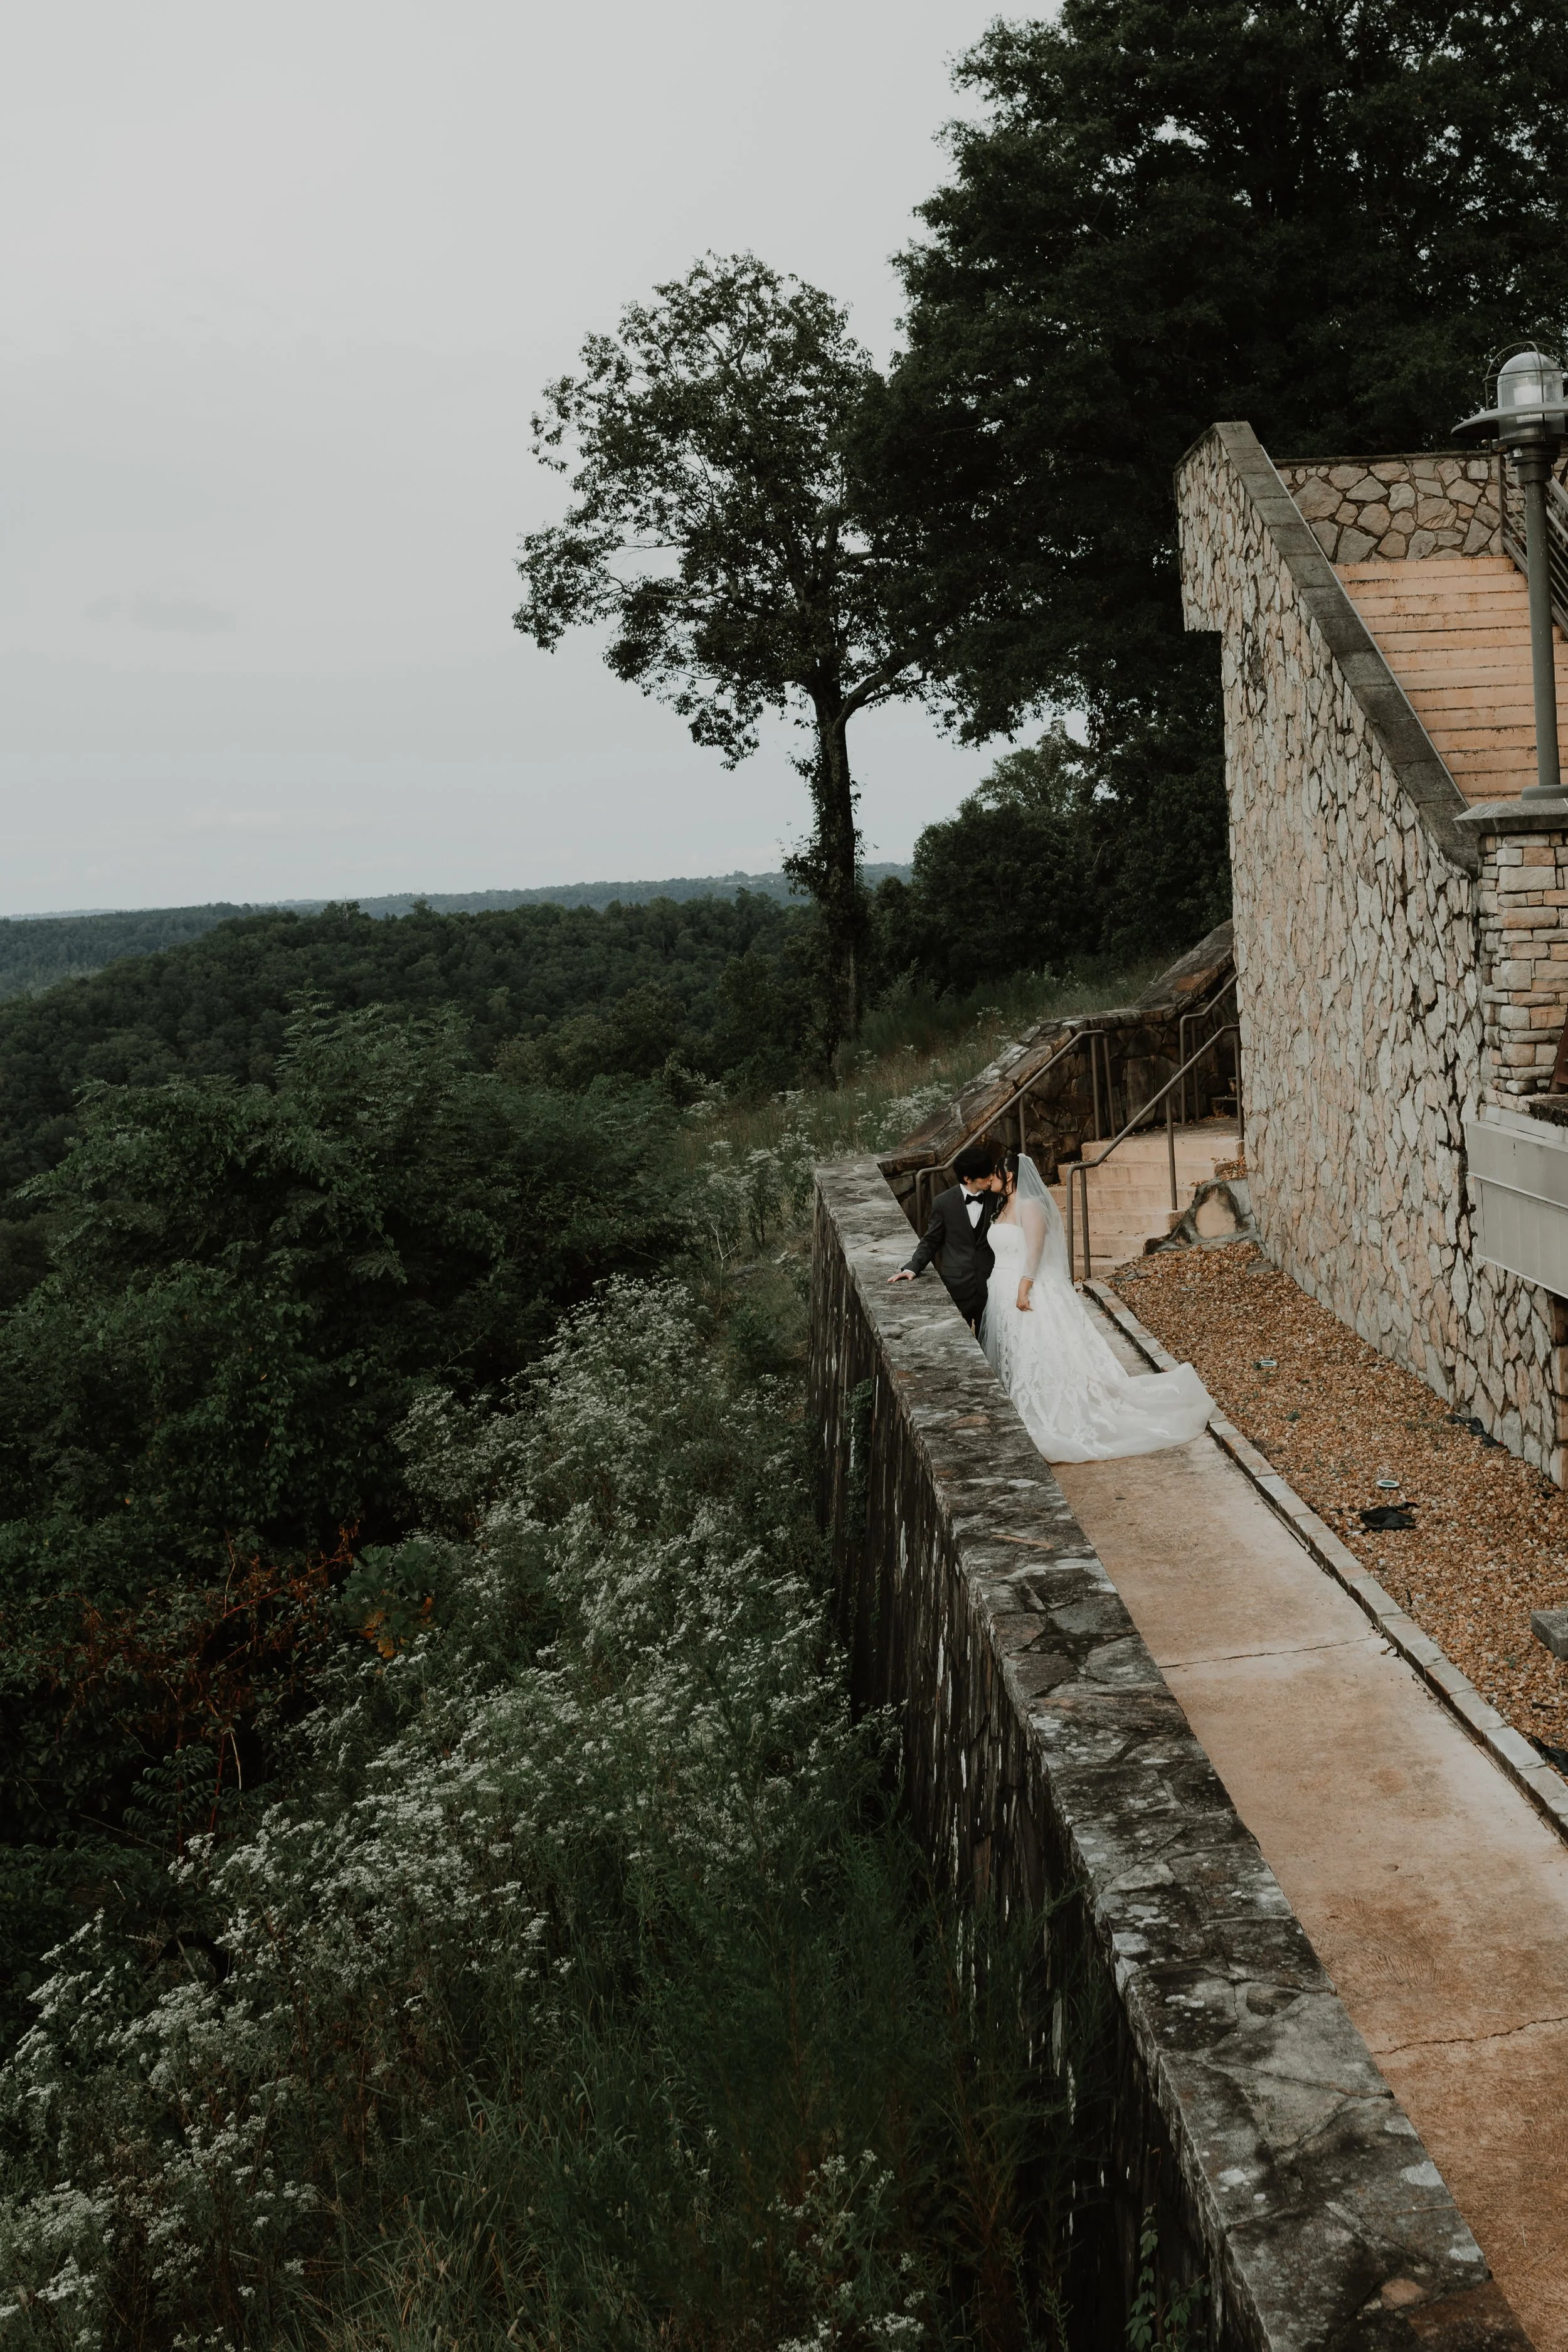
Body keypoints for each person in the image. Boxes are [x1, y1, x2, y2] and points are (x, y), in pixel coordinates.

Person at [978, 1149, 1213, 1461]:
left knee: (1041, 1352)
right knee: (1015, 1352)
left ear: (1009, 1176)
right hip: (1000, 1288)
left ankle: (1056, 1411)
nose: (991, 1178)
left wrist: (1024, 1288)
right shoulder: (1003, 1205)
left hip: (1028, 1289)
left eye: (995, 1173)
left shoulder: (1030, 1205)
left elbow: (1034, 1250)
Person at [887, 1142, 1004, 1333]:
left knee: (991, 1346)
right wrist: (913, 1267)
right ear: (968, 1178)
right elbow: (931, 1241)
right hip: (957, 1286)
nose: (992, 1177)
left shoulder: (996, 1198)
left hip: (990, 1285)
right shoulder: (943, 1203)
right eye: (986, 1175)